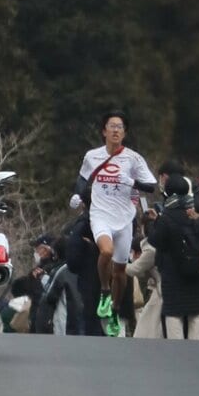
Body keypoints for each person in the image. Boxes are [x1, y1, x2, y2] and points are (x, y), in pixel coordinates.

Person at [73, 109, 157, 338]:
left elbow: (151, 185)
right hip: (100, 213)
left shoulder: (133, 158)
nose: (116, 130)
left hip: (124, 218)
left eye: (120, 127)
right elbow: (82, 180)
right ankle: (104, 291)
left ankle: (115, 310)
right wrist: (78, 196)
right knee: (105, 251)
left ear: (125, 132)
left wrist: (130, 181)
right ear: (104, 131)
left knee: (121, 271)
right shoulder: (92, 156)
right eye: (112, 126)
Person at [146, 173, 199, 340]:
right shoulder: (198, 210)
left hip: (173, 273)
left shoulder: (167, 216)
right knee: (197, 312)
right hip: (197, 270)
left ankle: (178, 352)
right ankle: (197, 349)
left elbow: (156, 240)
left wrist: (153, 222)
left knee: (174, 313)